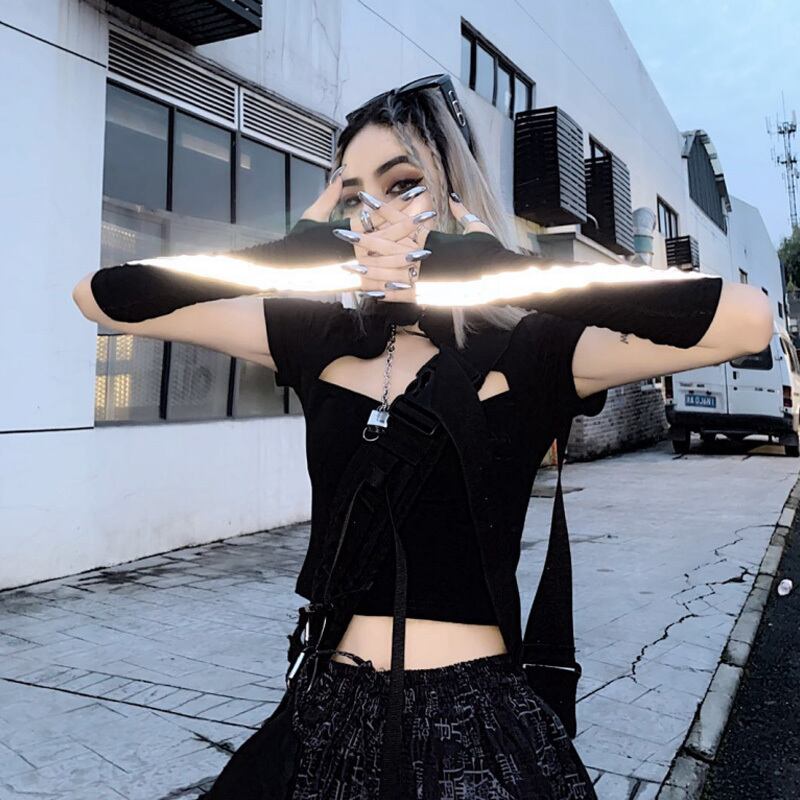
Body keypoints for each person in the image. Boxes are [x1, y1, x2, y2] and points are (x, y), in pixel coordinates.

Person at [72, 75, 773, 800]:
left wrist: (509, 275)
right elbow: (102, 297)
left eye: (403, 184)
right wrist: (277, 261)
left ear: (456, 193)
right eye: (353, 196)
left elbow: (746, 322)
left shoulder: (535, 347)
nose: (375, 214)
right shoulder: (316, 337)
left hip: (477, 729)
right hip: (326, 718)